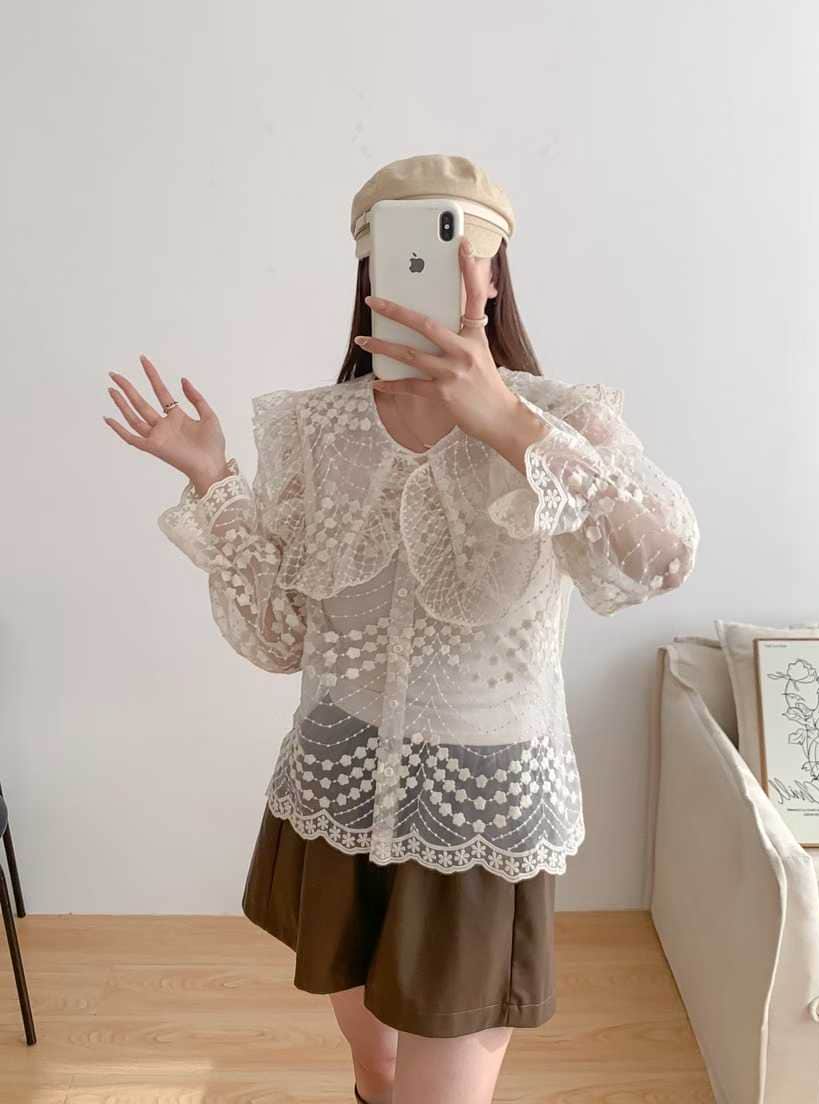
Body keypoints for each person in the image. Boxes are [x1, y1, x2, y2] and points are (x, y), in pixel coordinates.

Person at [103, 154, 700, 1104]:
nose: (435, 267)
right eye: (405, 248)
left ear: (494, 274)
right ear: (368, 268)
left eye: (461, 244)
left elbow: (660, 558)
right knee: (376, 1070)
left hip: (478, 825)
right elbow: (280, 640)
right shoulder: (313, 430)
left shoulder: (564, 420)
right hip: (337, 802)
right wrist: (213, 481)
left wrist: (507, 423)